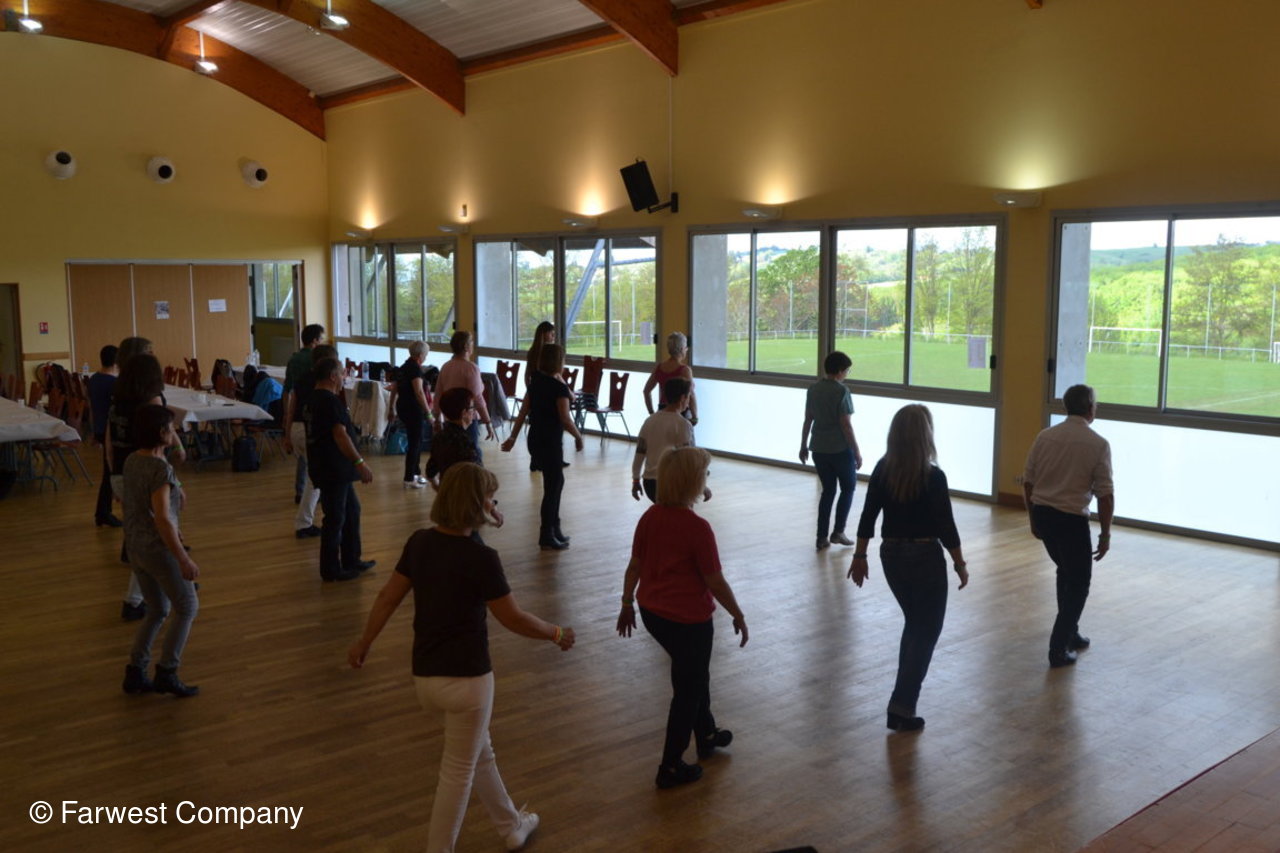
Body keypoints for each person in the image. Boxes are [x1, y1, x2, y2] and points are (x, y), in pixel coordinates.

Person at [348, 463, 573, 853]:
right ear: (474, 503)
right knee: (458, 773)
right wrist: (555, 633)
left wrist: (365, 641)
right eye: (490, 498)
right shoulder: (481, 558)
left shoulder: (420, 542)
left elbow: (387, 597)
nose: (494, 504)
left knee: (480, 754)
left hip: (426, 679)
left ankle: (511, 827)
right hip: (468, 683)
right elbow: (513, 618)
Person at [617, 446, 746, 789]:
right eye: (705, 473)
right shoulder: (697, 528)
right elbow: (715, 581)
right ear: (693, 481)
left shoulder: (650, 517)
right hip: (689, 620)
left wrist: (627, 603)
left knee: (693, 674)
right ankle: (670, 766)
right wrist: (738, 614)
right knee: (688, 688)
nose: (707, 478)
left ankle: (706, 733)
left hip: (653, 614)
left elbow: (635, 566)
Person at [848, 405, 968, 732]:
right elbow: (946, 525)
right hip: (925, 555)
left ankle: (902, 705)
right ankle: (901, 707)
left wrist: (860, 556)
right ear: (925, 435)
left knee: (915, 625)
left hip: (891, 556)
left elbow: (868, 516)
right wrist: (959, 563)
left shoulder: (883, 469)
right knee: (926, 631)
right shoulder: (934, 476)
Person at [1023, 383, 1114, 669]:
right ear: (1090, 409)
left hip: (1044, 515)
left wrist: (1032, 518)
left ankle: (1070, 632)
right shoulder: (1098, 444)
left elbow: (1028, 481)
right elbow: (1105, 495)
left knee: (1065, 571)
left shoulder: (1045, 437)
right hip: (1071, 521)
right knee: (1078, 584)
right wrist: (1105, 534)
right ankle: (1058, 647)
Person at [121, 404, 200, 698]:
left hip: (136, 546)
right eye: (170, 428)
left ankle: (135, 670)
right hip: (158, 550)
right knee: (187, 607)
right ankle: (167, 670)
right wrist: (183, 558)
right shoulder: (159, 469)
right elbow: (163, 518)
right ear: (160, 433)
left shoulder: (132, 460)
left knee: (156, 610)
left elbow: (138, 504)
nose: (174, 432)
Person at [107, 350, 182, 621]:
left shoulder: (117, 404)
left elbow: (108, 442)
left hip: (122, 472)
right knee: (155, 536)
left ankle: (166, 584)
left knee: (141, 534)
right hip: (146, 474)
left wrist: (114, 477)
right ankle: (136, 599)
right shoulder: (151, 402)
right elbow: (161, 446)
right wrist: (175, 480)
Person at [501, 344, 584, 550]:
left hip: (535, 439)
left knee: (554, 483)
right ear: (559, 362)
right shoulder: (558, 388)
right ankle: (547, 534)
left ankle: (554, 529)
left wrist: (512, 437)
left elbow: (523, 412)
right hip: (550, 441)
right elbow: (565, 418)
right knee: (553, 487)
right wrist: (578, 436)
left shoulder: (535, 382)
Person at [305, 356, 376, 582]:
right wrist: (360, 462)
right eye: (342, 373)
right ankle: (330, 569)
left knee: (352, 511)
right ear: (332, 376)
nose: (345, 377)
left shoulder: (314, 398)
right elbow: (340, 435)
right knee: (335, 518)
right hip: (333, 468)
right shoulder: (328, 401)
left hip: (330, 466)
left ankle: (351, 559)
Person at [799, 351, 863, 551]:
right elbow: (846, 425)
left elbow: (808, 419)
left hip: (818, 447)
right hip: (839, 449)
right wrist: (857, 450)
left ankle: (821, 537)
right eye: (847, 370)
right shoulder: (842, 391)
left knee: (828, 491)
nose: (847, 374)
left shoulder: (813, 389)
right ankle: (838, 531)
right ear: (840, 370)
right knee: (848, 488)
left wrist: (803, 445)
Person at [285, 343, 337, 539]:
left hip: (297, 428)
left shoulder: (302, 379)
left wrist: (287, 434)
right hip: (309, 429)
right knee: (315, 478)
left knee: (314, 476)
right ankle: (304, 523)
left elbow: (291, 408)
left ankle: (306, 520)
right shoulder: (323, 382)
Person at [631, 377, 710, 504]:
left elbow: (639, 453)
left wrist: (635, 480)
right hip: (673, 483)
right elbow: (689, 460)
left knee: (662, 512)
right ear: (683, 398)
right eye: (688, 397)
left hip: (649, 484)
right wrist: (702, 486)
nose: (688, 402)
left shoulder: (649, 421)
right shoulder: (684, 424)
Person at [433, 331, 494, 462]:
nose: (473, 345)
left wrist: (437, 418)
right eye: (471, 342)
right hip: (466, 419)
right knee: (471, 455)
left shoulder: (446, 367)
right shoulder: (471, 368)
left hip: (449, 417)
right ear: (466, 347)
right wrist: (488, 422)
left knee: (453, 454)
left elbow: (438, 393)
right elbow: (477, 398)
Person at [282, 323, 325, 505]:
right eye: (321, 339)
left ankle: (299, 490)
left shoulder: (294, 359)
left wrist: (286, 415)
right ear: (315, 341)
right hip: (314, 411)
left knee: (302, 456)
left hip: (297, 413)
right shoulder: (317, 360)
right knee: (315, 456)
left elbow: (287, 389)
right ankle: (315, 491)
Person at [390, 341, 433, 490]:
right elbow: (419, 392)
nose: (426, 356)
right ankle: (409, 477)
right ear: (420, 355)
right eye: (426, 354)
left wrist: (391, 408)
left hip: (402, 406)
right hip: (413, 408)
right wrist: (428, 413)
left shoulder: (403, 367)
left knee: (416, 440)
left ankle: (416, 473)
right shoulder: (415, 369)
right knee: (415, 442)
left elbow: (394, 389)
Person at [87, 344, 121, 528]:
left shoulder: (93, 379)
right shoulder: (114, 384)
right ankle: (103, 512)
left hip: (100, 429)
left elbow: (91, 408)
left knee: (108, 472)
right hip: (111, 431)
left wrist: (93, 432)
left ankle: (102, 512)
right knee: (111, 473)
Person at [426, 387, 480, 487]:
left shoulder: (439, 437)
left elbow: (430, 472)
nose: (474, 412)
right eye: (473, 408)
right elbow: (478, 480)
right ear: (464, 413)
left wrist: (441, 490)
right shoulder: (466, 443)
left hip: (447, 491)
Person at [642, 331, 698, 425]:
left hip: (662, 411)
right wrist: (695, 417)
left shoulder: (659, 368)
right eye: (685, 347)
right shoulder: (685, 370)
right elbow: (691, 394)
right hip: (680, 412)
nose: (686, 350)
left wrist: (652, 413)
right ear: (681, 349)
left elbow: (646, 391)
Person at [524, 321, 556, 390]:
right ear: (543, 334)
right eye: (551, 333)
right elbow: (527, 375)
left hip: (540, 388)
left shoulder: (533, 351)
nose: (553, 336)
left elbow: (527, 376)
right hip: (543, 388)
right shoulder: (534, 351)